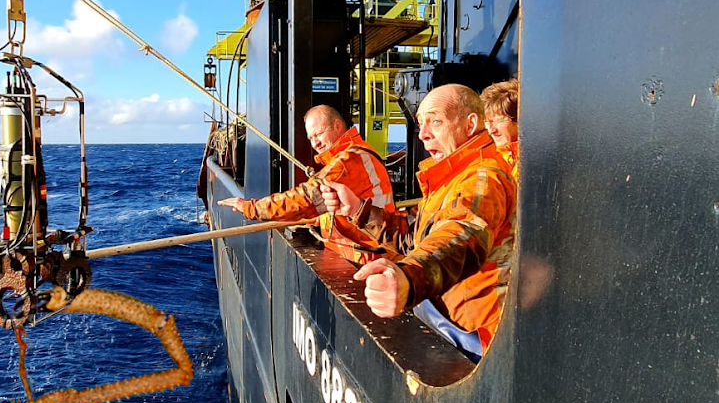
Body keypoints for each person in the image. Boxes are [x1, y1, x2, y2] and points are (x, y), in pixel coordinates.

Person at [319, 84, 516, 359]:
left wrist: (409, 277)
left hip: (474, 340)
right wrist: (358, 211)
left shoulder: (483, 178)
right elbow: (414, 239)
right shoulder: (452, 176)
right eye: (421, 124)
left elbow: (462, 235)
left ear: (470, 124)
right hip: (450, 322)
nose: (423, 134)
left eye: (436, 121)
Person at [218, 105, 394, 264]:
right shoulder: (357, 153)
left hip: (366, 258)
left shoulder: (349, 161)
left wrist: (252, 208)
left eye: (318, 134)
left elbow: (306, 198)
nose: (315, 143)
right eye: (311, 138)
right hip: (365, 253)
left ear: (337, 126)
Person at [481, 78, 519, 182]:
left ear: (518, 118)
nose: (491, 130)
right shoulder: (483, 159)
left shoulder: (536, 160)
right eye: (486, 121)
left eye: (499, 120)